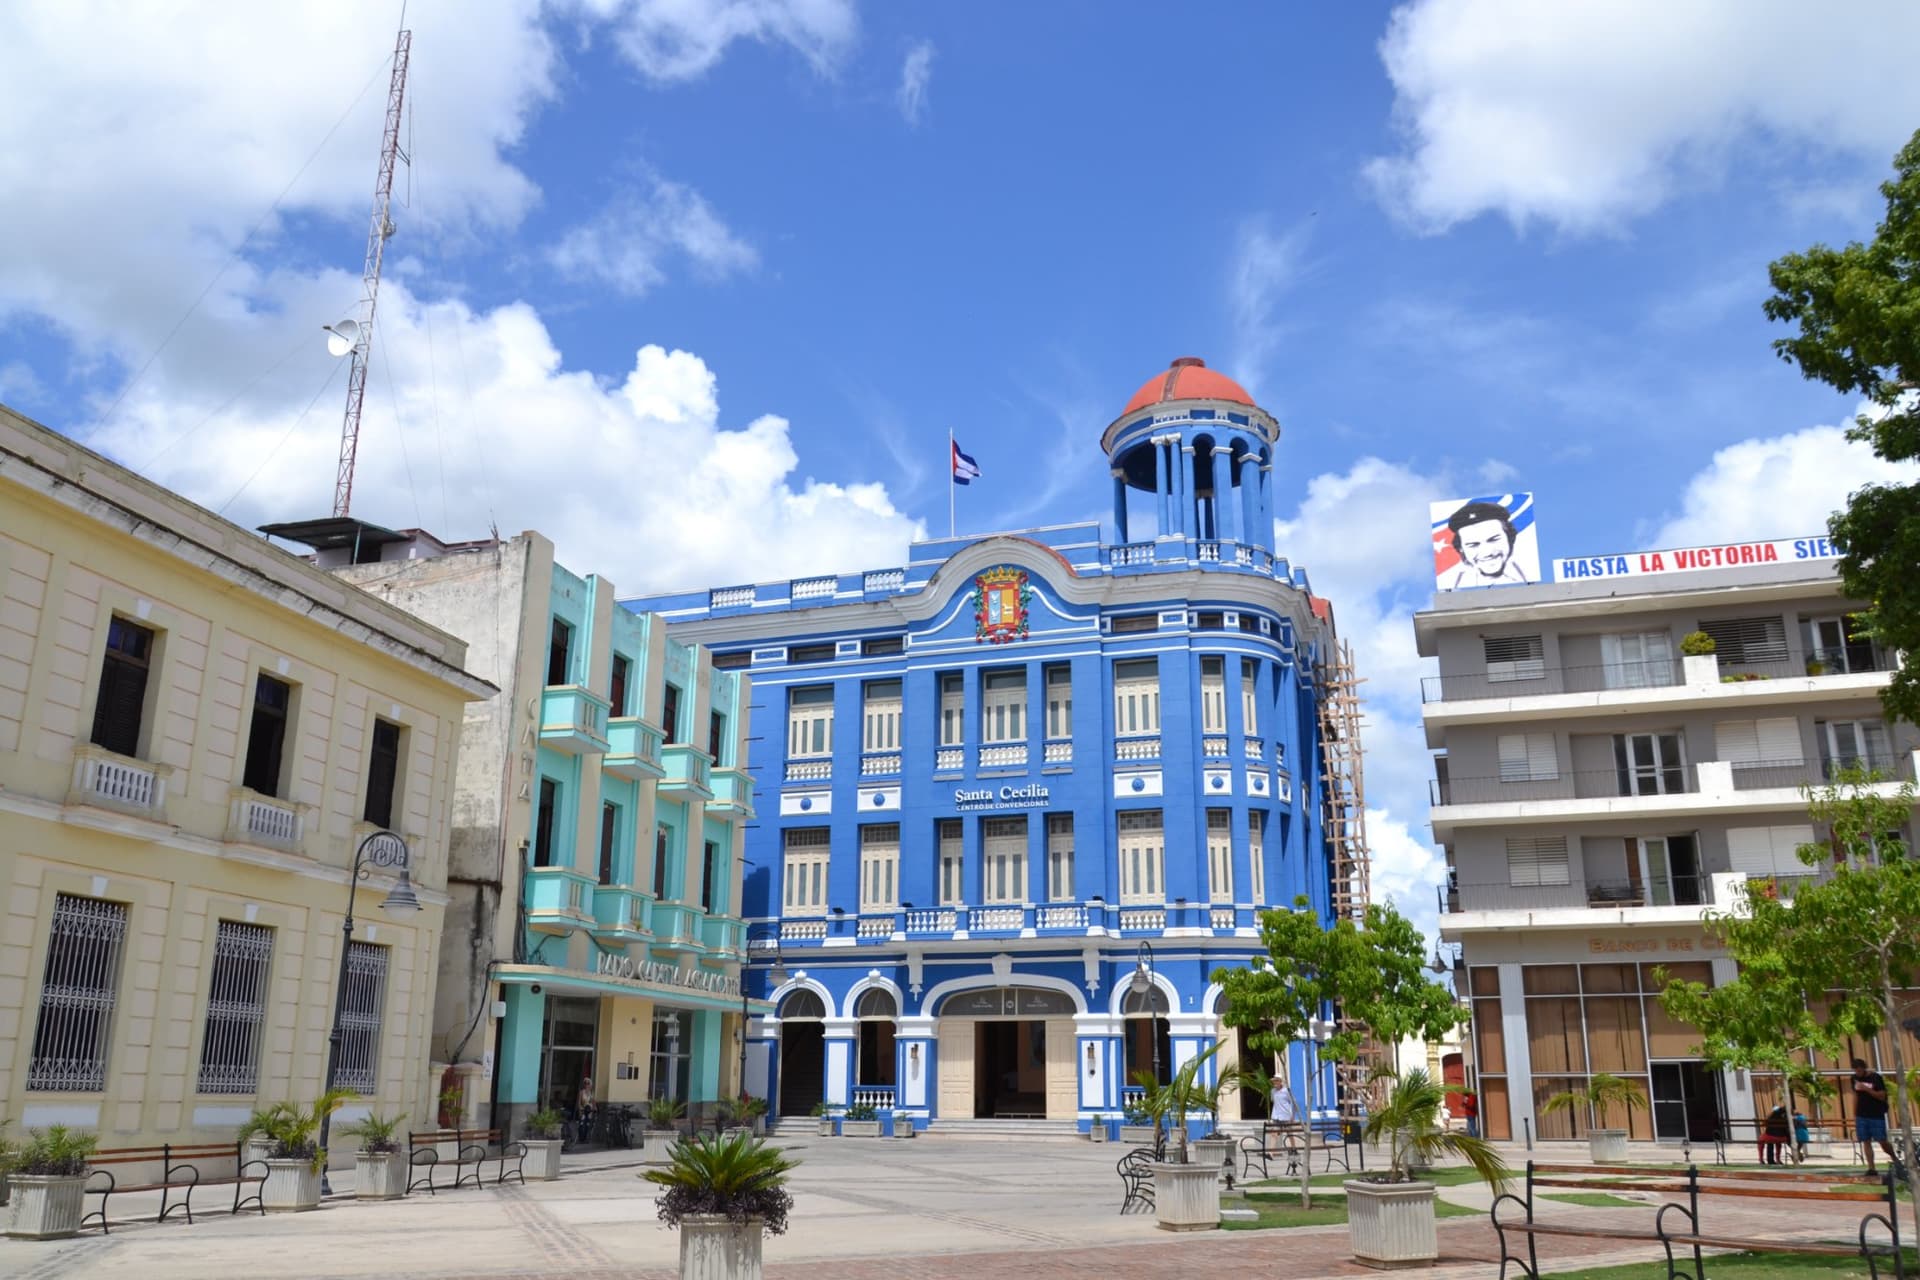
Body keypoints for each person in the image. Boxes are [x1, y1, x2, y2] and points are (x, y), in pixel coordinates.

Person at [1440, 500, 1530, 589]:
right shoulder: (1452, 582)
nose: (1487, 552)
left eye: (1494, 540)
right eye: (1473, 545)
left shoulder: (1529, 572)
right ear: (1461, 549)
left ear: (1509, 537)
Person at [1851, 1057, 1899, 1175]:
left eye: (1859, 1070)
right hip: (1861, 1114)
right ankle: (1871, 1168)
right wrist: (1855, 1114)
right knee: (1866, 1141)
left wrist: (1866, 1089)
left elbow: (1882, 1095)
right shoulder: (1854, 1079)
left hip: (1875, 1114)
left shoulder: (1875, 1078)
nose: (1858, 1073)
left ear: (1864, 1068)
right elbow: (1856, 1096)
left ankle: (1894, 1158)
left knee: (1882, 1140)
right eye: (1855, 1070)